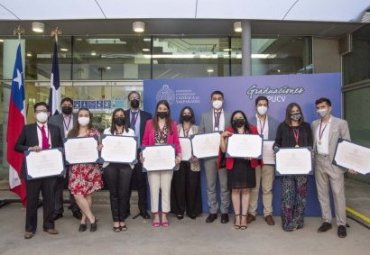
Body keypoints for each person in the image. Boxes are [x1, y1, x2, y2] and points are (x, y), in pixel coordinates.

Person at [15, 102, 63, 239]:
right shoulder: (27, 129)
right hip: (34, 170)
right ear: (35, 114)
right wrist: (29, 148)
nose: (41, 113)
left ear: (48, 113)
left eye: (44, 111)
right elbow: (17, 146)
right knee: (32, 200)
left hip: (50, 169)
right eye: (38, 111)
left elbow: (60, 146)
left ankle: (49, 225)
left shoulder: (55, 129)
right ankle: (30, 228)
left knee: (50, 199)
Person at [312, 97, 355, 238]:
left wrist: (350, 165)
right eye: (318, 107)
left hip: (334, 163)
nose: (320, 110)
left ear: (330, 107)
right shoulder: (314, 124)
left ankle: (341, 224)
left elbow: (347, 144)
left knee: (338, 194)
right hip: (319, 161)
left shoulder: (341, 123)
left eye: (323, 107)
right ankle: (326, 220)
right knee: (322, 193)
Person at [141, 100, 182, 227]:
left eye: (165, 108)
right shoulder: (149, 123)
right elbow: (145, 141)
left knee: (166, 188)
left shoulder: (172, 124)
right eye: (160, 108)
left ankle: (164, 214)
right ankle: (155, 214)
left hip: (167, 162)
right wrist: (142, 154)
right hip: (152, 162)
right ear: (157, 110)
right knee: (153, 189)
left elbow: (176, 142)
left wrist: (179, 155)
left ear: (168, 110)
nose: (162, 110)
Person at [274, 102, 313, 231]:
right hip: (287, 168)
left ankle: (298, 221)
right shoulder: (282, 126)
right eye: (292, 111)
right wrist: (276, 149)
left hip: (302, 167)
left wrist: (310, 153)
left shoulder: (306, 127)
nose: (295, 113)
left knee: (301, 195)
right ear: (288, 113)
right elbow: (277, 143)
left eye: (297, 110)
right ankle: (287, 222)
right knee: (287, 194)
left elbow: (311, 144)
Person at [220, 111, 259, 230]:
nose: (238, 119)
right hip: (234, 164)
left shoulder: (252, 130)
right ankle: (237, 217)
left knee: (246, 191)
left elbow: (257, 147)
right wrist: (222, 136)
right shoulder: (229, 131)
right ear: (232, 120)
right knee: (235, 191)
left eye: (241, 117)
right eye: (236, 118)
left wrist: (252, 154)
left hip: (247, 164)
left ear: (245, 119)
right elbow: (223, 149)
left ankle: (244, 217)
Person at [68, 107, 103, 232]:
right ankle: (92, 218)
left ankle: (83, 220)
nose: (83, 117)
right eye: (81, 115)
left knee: (87, 194)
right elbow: (68, 149)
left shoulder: (95, 133)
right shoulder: (72, 133)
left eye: (86, 115)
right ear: (77, 118)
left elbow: (100, 149)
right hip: (76, 168)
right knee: (78, 195)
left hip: (90, 168)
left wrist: (100, 148)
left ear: (89, 117)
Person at [199, 90, 231, 224]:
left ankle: (224, 211)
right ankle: (213, 211)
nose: (217, 100)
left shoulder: (229, 116)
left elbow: (232, 134)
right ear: (211, 100)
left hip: (224, 155)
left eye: (219, 98)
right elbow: (200, 134)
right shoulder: (204, 116)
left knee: (224, 185)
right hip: (209, 156)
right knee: (210, 185)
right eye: (214, 98)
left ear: (223, 100)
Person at [48, 97, 82, 221]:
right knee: (58, 184)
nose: (67, 106)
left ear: (72, 106)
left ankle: (75, 208)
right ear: (61, 106)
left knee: (74, 184)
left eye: (69, 104)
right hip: (59, 156)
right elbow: (50, 137)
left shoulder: (78, 118)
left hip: (75, 156)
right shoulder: (53, 119)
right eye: (64, 104)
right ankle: (58, 210)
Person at [247, 96, 279, 225]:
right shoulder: (248, 121)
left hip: (269, 160)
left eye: (265, 104)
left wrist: (276, 149)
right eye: (260, 104)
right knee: (254, 188)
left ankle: (268, 213)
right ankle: (252, 213)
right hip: (254, 160)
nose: (262, 107)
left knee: (267, 188)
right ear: (256, 106)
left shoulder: (275, 122)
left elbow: (278, 141)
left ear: (268, 106)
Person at [102, 108, 135, 232]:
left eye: (121, 115)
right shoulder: (106, 131)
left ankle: (122, 219)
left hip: (126, 166)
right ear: (113, 118)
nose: (119, 117)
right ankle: (116, 220)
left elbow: (133, 148)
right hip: (110, 165)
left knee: (124, 194)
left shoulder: (130, 132)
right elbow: (104, 148)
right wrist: (101, 147)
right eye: (117, 115)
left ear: (125, 117)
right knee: (114, 194)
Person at [171, 106, 202, 220]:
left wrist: (197, 156)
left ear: (192, 115)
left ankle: (192, 211)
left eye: (188, 113)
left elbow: (200, 145)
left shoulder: (197, 129)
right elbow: (172, 143)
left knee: (192, 186)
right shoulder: (176, 127)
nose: (186, 114)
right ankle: (179, 210)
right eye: (184, 113)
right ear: (181, 115)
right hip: (179, 161)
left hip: (193, 162)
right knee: (179, 187)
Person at [125, 91, 152, 219]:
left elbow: (150, 134)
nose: (134, 99)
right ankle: (125, 210)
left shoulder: (147, 116)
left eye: (137, 98)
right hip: (126, 153)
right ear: (128, 100)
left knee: (142, 183)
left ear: (140, 101)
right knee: (127, 183)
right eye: (132, 98)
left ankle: (143, 210)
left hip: (142, 152)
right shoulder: (123, 115)